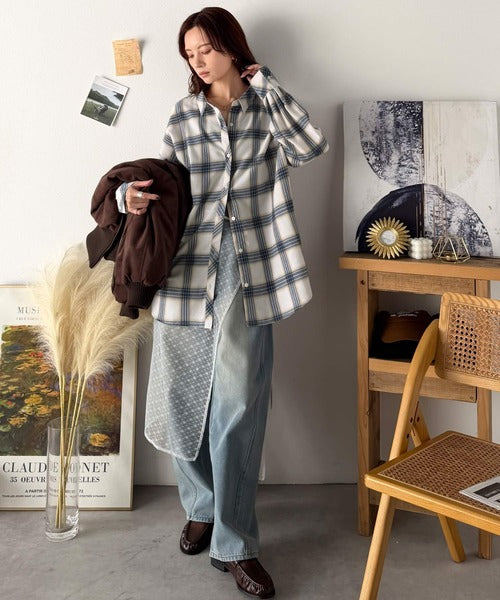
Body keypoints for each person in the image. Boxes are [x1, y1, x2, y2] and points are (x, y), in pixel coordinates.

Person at [121, 7, 328, 598]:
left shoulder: (267, 107)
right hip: (186, 269)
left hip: (250, 267)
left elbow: (310, 147)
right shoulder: (183, 114)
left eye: (206, 49)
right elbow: (166, 183)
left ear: (231, 47)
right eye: (190, 54)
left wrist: (266, 84)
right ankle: (202, 507)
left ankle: (236, 544)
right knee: (179, 395)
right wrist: (130, 196)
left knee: (237, 403)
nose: (198, 61)